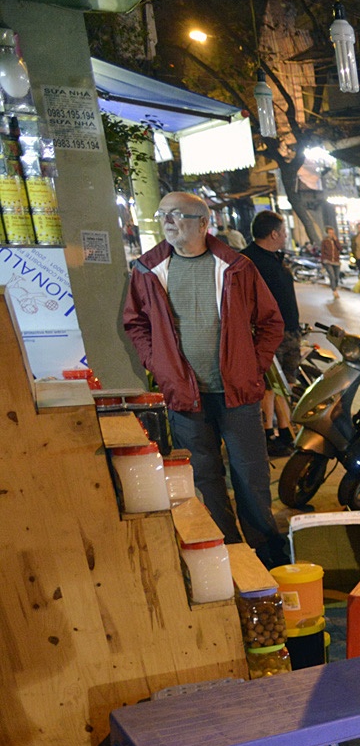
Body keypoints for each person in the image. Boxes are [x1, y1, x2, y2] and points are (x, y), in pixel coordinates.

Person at [123, 191, 289, 566]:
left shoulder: (236, 267)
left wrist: (253, 366)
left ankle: (267, 556)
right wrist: (158, 365)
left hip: (237, 393)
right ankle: (228, 556)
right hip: (185, 395)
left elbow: (271, 323)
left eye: (176, 214)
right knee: (204, 478)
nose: (167, 221)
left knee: (250, 476)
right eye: (162, 214)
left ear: (203, 223)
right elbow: (135, 323)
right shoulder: (147, 270)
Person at [240, 211, 302, 456]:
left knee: (285, 385)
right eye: (284, 232)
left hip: (290, 332)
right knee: (268, 386)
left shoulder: (275, 259)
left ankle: (285, 430)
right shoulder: (247, 261)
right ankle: (268, 433)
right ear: (274, 234)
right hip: (266, 334)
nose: (286, 236)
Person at [319, 229, 342, 294]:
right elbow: (322, 252)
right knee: (332, 275)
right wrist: (322, 262)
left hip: (336, 261)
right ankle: (334, 290)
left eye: (332, 233)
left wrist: (336, 240)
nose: (331, 234)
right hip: (328, 261)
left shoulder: (335, 241)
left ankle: (335, 286)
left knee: (337, 276)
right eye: (330, 233)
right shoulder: (324, 241)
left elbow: (340, 248)